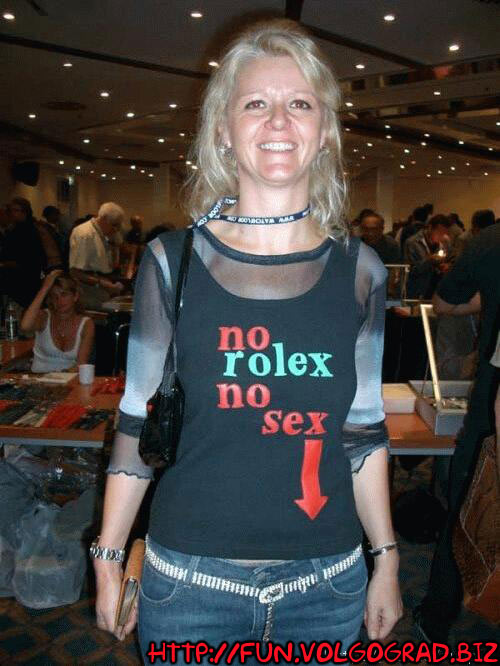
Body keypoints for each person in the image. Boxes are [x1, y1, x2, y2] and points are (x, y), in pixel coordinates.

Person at [93, 20, 402, 660]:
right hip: (189, 582)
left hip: (327, 582)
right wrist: (109, 554)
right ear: (223, 130)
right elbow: (137, 421)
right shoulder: (170, 262)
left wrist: (388, 559)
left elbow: (365, 431)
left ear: (324, 131)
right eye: (256, 103)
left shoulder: (361, 271)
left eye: (301, 104)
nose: (279, 121)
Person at [415, 221, 500, 641]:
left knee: (467, 498)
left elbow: (445, 303)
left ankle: (438, 613)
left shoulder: (490, 241)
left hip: (490, 401)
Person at [20, 269, 95, 373]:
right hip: (39, 378)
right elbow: (25, 326)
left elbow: (81, 365)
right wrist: (44, 288)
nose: (59, 300)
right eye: (54, 296)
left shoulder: (86, 324)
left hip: (68, 378)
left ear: (75, 296)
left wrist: (60, 377)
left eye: (64, 294)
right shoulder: (44, 316)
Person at [69, 202, 125, 309]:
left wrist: (115, 244)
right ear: (104, 219)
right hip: (89, 290)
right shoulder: (85, 234)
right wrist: (102, 283)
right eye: (114, 225)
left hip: (102, 286)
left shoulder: (103, 233)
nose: (116, 229)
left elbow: (113, 264)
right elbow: (75, 272)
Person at [0, 197, 49, 306]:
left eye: (16, 210)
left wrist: (5, 263)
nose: (13, 213)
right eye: (11, 210)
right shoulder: (16, 229)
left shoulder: (28, 230)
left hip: (24, 279)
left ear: (25, 212)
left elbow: (28, 258)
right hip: (19, 277)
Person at [404, 214, 452, 299]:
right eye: (439, 232)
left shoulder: (445, 242)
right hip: (418, 290)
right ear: (430, 228)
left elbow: (450, 259)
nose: (442, 236)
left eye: (444, 233)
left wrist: (445, 266)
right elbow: (411, 271)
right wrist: (429, 260)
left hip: (437, 290)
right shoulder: (413, 243)